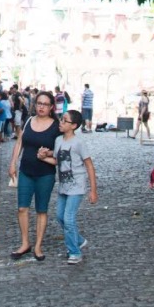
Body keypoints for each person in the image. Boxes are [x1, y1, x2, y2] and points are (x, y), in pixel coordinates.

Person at [8, 90, 61, 261]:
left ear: (51, 107)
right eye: (39, 103)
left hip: (45, 174)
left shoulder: (56, 127)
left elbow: (61, 152)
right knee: (22, 207)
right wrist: (13, 162)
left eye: (45, 104)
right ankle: (25, 242)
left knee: (41, 209)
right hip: (26, 171)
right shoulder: (29, 120)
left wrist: (48, 153)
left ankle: (38, 245)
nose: (41, 107)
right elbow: (20, 142)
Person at [42, 110, 98, 263]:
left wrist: (93, 191)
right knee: (60, 216)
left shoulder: (79, 143)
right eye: (61, 119)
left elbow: (89, 166)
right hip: (63, 186)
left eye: (64, 120)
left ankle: (75, 252)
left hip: (77, 186)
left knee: (68, 218)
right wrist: (43, 157)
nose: (60, 122)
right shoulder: (58, 140)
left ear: (73, 125)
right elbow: (57, 161)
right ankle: (79, 240)